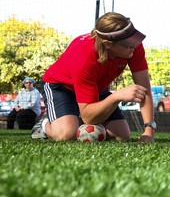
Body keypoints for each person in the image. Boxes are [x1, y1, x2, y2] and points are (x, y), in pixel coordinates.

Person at [31, 12, 155, 142]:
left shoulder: (133, 47)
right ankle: (45, 125)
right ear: (108, 44)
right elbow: (89, 118)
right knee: (66, 135)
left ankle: (72, 120)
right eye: (128, 44)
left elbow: (144, 88)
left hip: (96, 87)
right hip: (60, 87)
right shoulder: (84, 57)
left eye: (133, 40)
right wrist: (116, 96)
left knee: (122, 135)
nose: (134, 45)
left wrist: (149, 130)